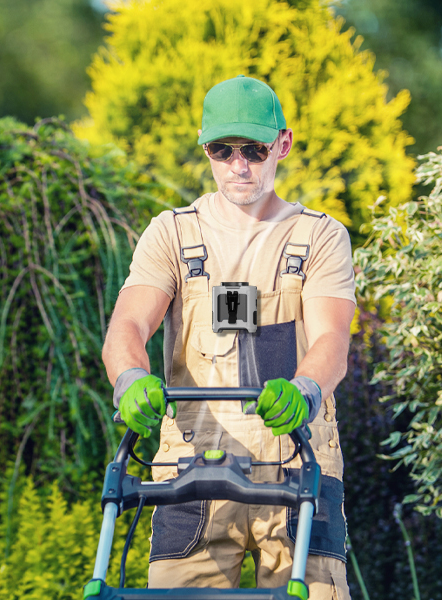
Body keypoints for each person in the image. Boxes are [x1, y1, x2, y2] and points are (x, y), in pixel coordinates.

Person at [100, 76, 358, 599]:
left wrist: (305, 389)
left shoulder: (320, 236)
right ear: (205, 148)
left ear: (282, 145)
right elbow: (127, 326)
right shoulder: (172, 233)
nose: (239, 165)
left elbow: (332, 340)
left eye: (255, 150)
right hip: (188, 471)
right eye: (223, 150)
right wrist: (130, 380)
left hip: (297, 464)